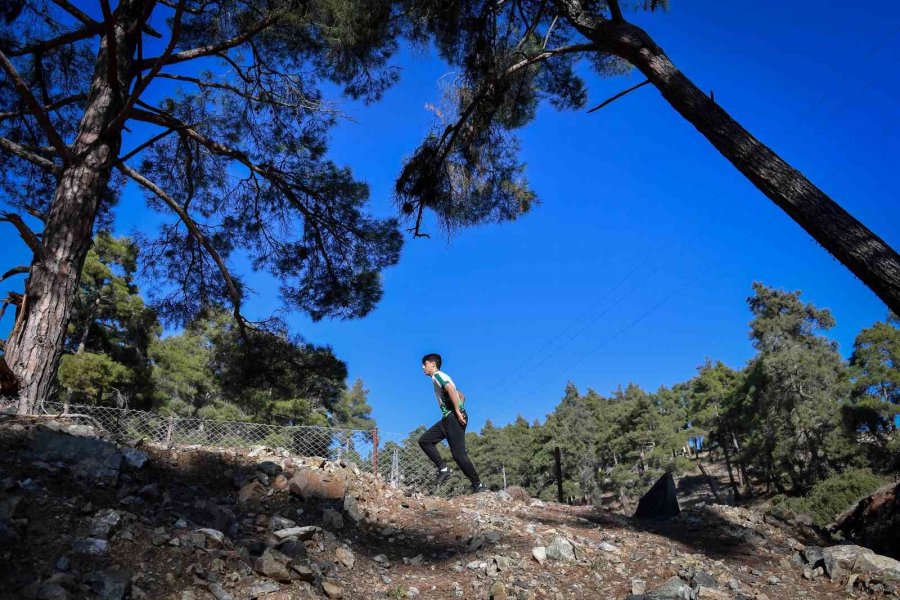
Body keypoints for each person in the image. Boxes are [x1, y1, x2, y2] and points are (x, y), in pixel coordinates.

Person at [417, 353, 486, 493]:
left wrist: (458, 412)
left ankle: (478, 485)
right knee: (425, 440)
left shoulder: (438, 375)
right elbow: (461, 396)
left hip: (453, 417)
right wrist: (459, 409)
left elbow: (450, 389)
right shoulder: (439, 378)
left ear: (433, 364)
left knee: (459, 454)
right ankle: (443, 468)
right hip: (449, 418)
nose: (423, 367)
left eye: (425, 364)